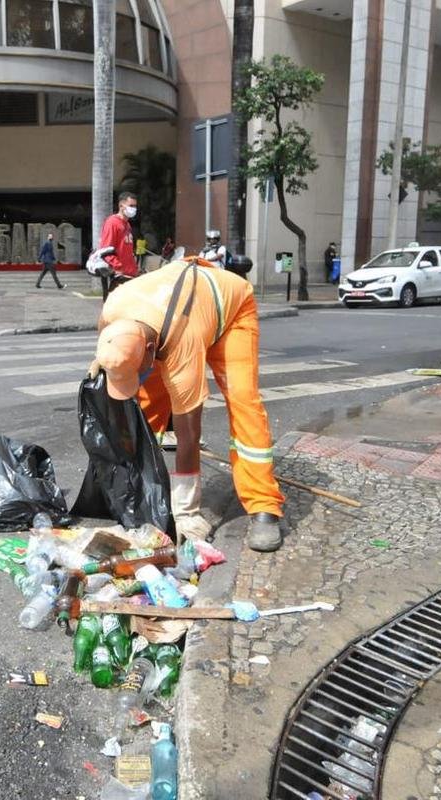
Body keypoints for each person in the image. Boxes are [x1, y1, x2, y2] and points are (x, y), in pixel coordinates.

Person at [88, 256, 285, 552]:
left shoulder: (183, 348)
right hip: (172, 309)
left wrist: (186, 511)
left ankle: (264, 506)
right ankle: (136, 489)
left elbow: (188, 435)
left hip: (230, 313)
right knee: (146, 402)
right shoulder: (114, 305)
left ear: (152, 349)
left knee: (243, 401)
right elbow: (112, 338)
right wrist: (108, 361)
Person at [98, 192, 139, 299]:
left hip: (130, 275)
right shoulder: (112, 223)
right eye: (131, 206)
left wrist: (134, 269)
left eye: (135, 206)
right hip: (119, 276)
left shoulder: (127, 224)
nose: (134, 209)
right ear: (121, 205)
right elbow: (106, 250)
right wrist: (118, 268)